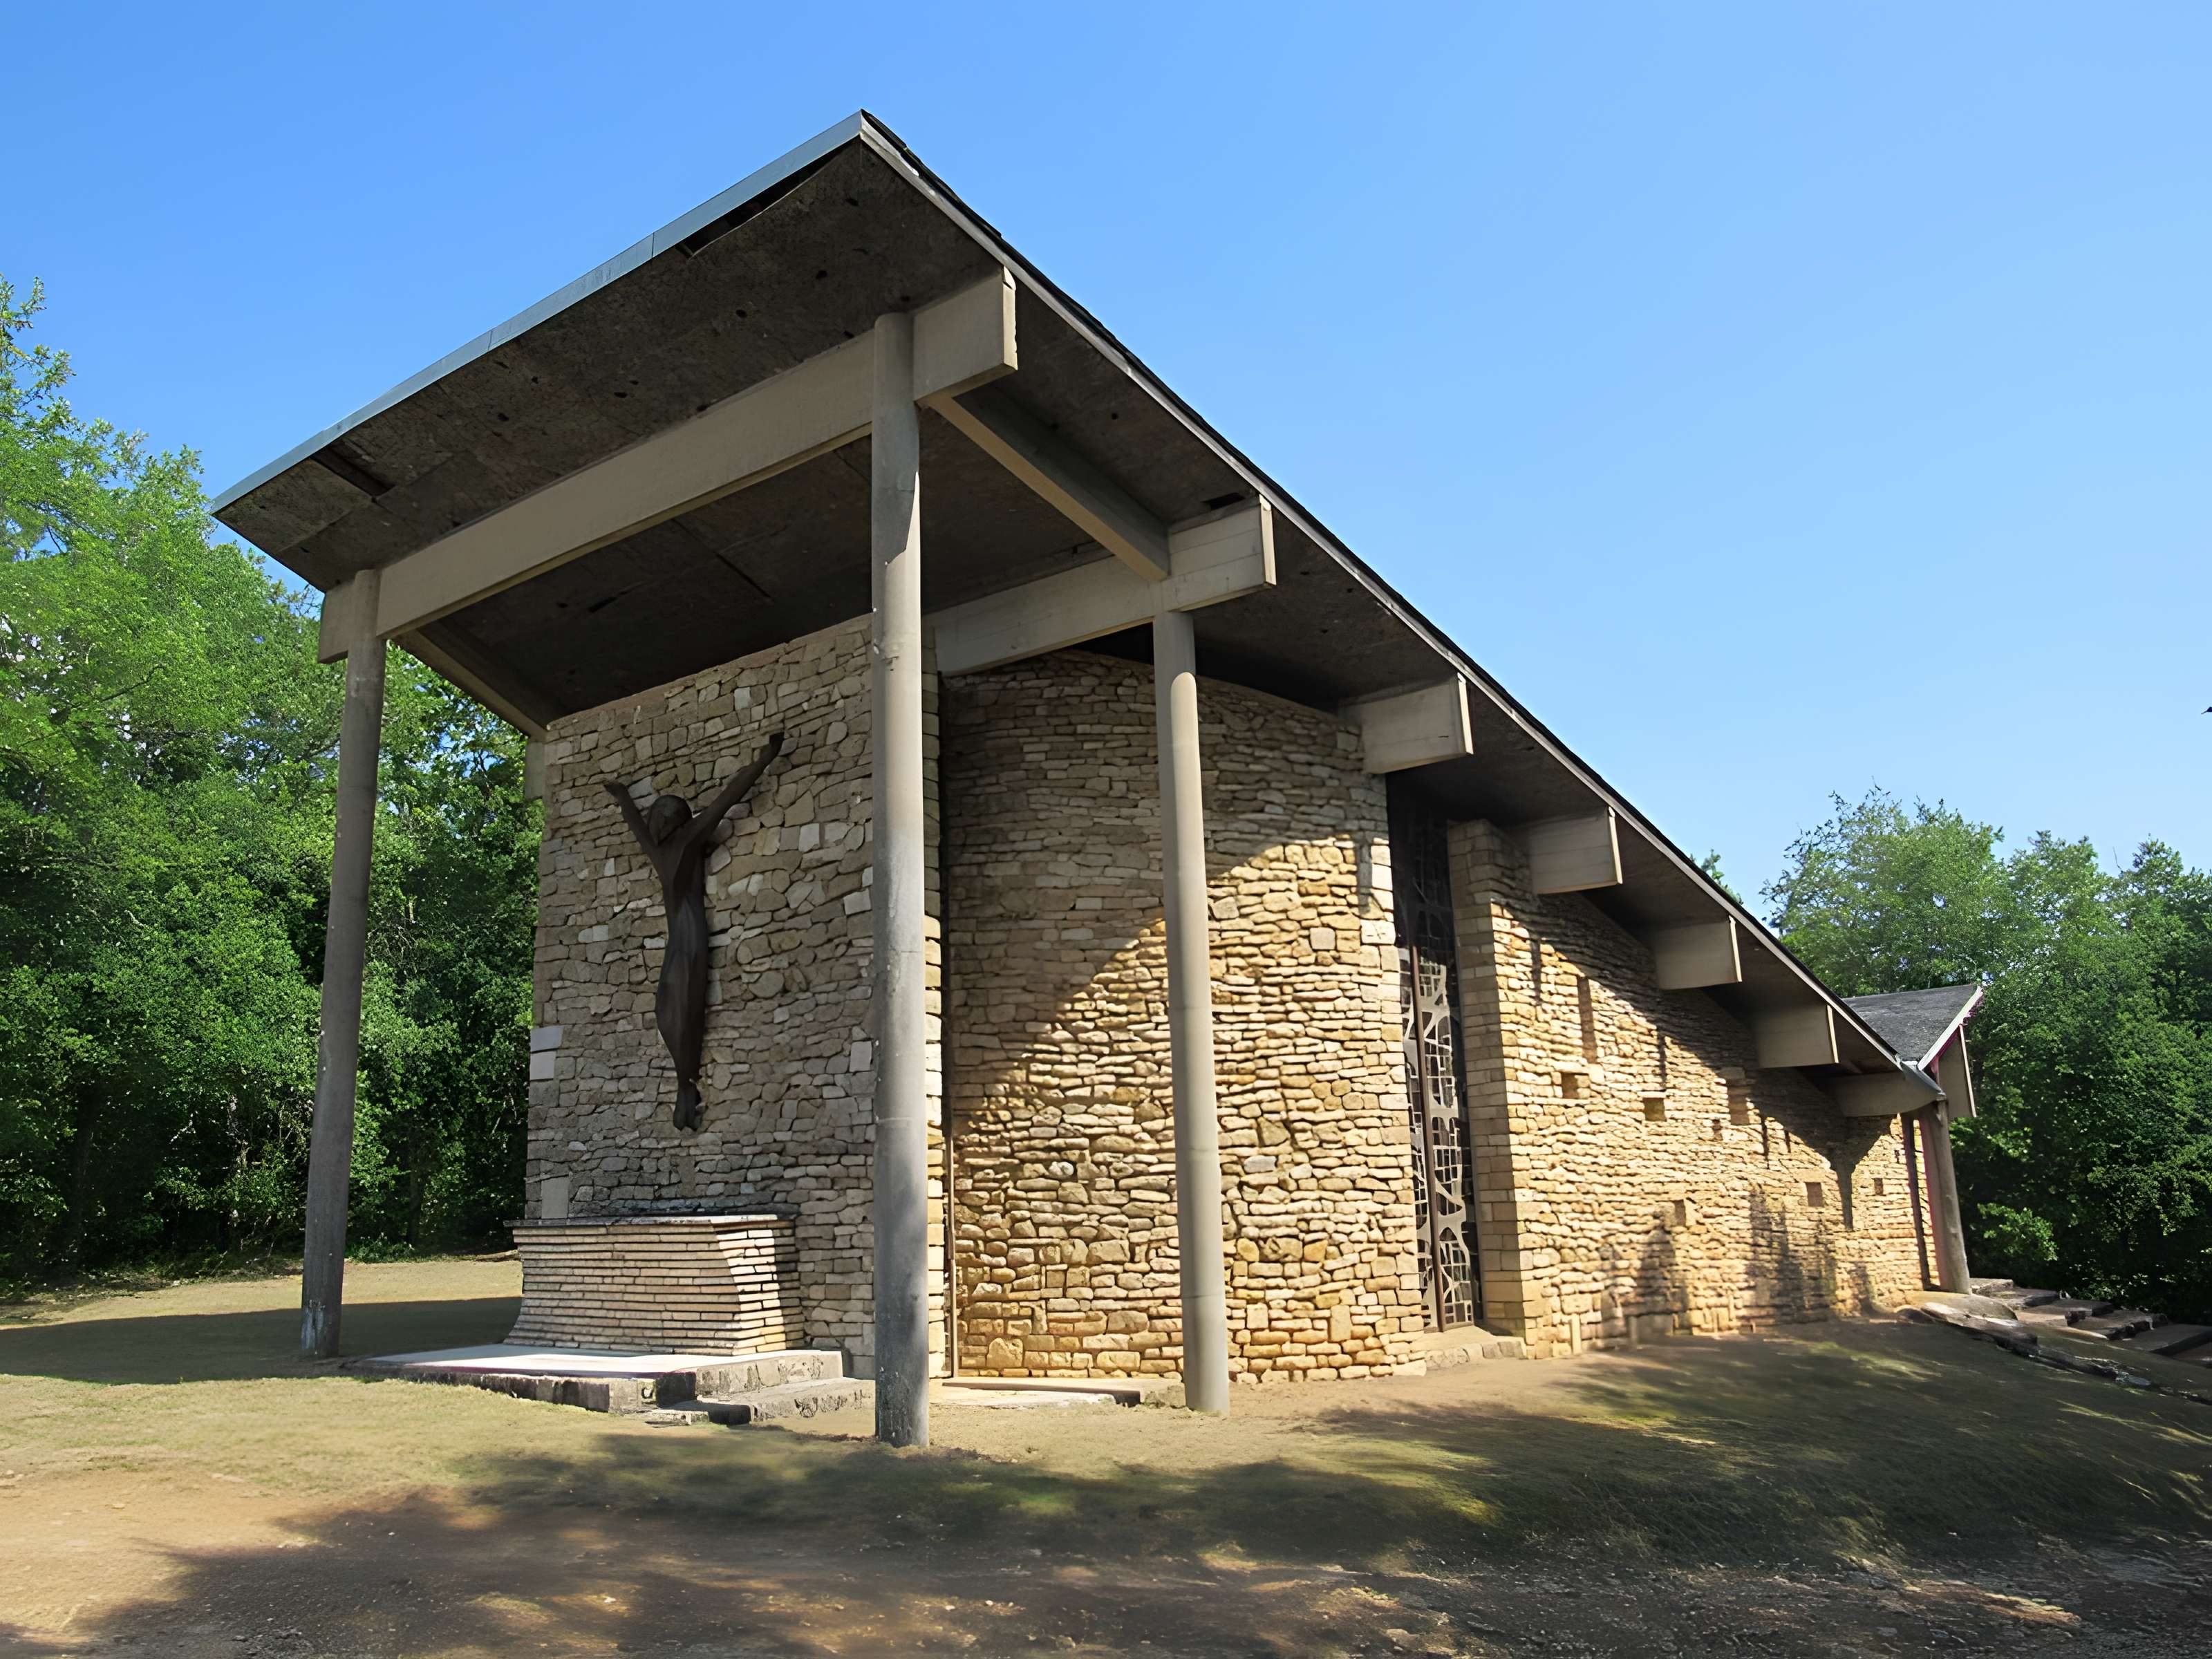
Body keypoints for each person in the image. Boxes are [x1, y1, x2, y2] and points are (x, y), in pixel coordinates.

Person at [603, 733, 785, 1130]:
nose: (651, 823)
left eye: (658, 817)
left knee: (682, 1011)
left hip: (691, 937)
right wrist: (622, 799)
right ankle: (684, 1084)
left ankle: (687, 1086)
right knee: (666, 1014)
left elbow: (728, 797)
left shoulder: (689, 839)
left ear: (672, 820)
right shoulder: (661, 850)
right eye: (651, 817)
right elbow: (635, 826)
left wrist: (765, 758)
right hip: (676, 941)